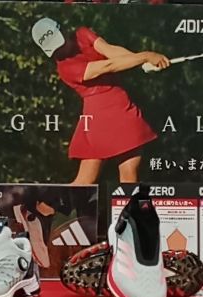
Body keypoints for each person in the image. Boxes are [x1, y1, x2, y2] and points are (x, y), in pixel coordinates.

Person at [32, 16, 169, 185]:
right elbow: (108, 66)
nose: (60, 50)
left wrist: (141, 62)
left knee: (103, 178)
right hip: (105, 114)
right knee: (110, 178)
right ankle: (39, 199)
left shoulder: (82, 34)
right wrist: (146, 56)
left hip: (113, 107)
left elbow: (110, 51)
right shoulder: (65, 68)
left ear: (62, 30)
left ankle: (44, 199)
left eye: (59, 42)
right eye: (53, 49)